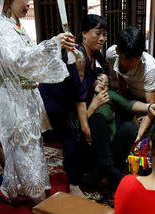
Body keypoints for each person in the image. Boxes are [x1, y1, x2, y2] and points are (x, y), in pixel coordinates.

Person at [0, 0, 78, 203]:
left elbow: (28, 61)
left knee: (26, 148)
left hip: (23, 96)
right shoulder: (1, 28)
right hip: (12, 99)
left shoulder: (15, 26)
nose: (28, 3)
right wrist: (53, 43)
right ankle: (37, 198)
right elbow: (20, 60)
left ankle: (13, 189)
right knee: (23, 149)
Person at [39, 14, 108, 197]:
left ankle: (87, 172)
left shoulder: (95, 56)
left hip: (69, 99)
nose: (102, 38)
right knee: (71, 139)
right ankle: (73, 185)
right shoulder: (77, 55)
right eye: (98, 33)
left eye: (104, 34)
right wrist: (85, 126)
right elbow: (79, 96)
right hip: (53, 98)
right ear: (84, 34)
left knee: (81, 135)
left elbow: (88, 83)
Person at [85, 73, 155, 189]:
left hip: (110, 149)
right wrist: (93, 106)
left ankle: (106, 173)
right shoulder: (83, 97)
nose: (103, 84)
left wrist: (149, 107)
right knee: (98, 120)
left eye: (106, 84)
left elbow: (129, 104)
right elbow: (78, 126)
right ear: (92, 81)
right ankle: (109, 173)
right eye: (100, 80)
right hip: (90, 147)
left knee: (129, 127)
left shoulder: (109, 95)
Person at [106, 26, 155, 143]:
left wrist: (139, 134)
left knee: (147, 139)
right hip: (130, 94)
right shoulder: (111, 54)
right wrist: (127, 107)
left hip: (152, 101)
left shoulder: (149, 67)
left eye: (137, 58)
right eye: (128, 58)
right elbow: (121, 78)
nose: (133, 63)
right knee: (120, 131)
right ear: (118, 51)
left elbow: (151, 106)